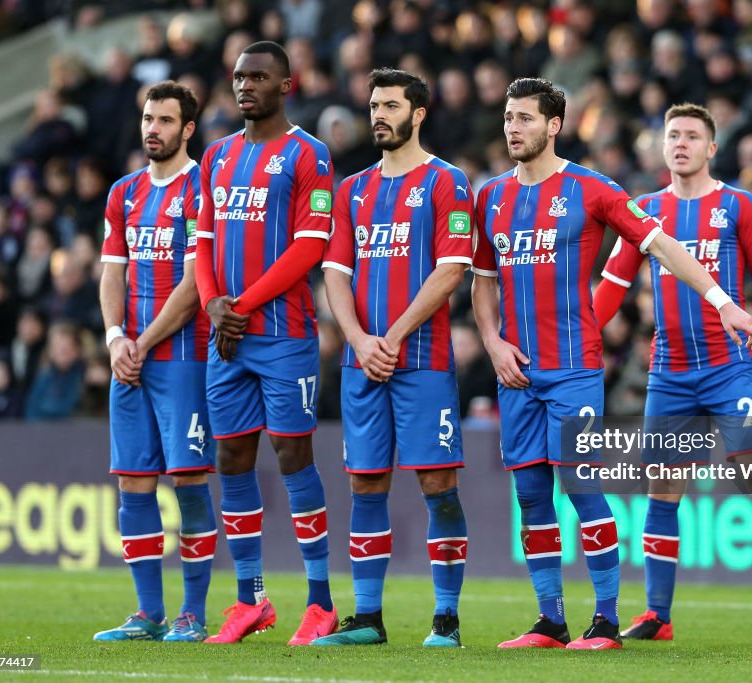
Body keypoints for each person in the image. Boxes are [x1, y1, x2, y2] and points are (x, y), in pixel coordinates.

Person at [471, 78, 752, 651]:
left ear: (554, 126)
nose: (513, 127)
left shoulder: (592, 189)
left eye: (525, 118)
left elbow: (664, 246)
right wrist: (492, 342)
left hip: (574, 367)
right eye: (508, 117)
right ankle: (549, 621)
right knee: (530, 495)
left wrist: (724, 302)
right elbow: (481, 280)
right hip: (515, 371)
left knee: (581, 486)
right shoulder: (490, 196)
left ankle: (605, 621)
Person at [592, 102, 752, 642]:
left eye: (692, 136)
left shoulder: (737, 205)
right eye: (673, 135)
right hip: (669, 371)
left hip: (730, 368)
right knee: (663, 490)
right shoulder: (644, 210)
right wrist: (577, 338)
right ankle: (658, 615)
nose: (681, 143)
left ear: (711, 148)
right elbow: (613, 288)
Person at [313, 68, 473, 648]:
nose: (378, 114)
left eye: (391, 106)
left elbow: (451, 268)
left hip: (422, 361)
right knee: (366, 485)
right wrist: (359, 341)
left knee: (437, 483)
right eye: (374, 104)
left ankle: (446, 620)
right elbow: (334, 271)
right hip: (363, 363)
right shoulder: (352, 189)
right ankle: (368, 619)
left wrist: (394, 336)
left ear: (419, 113)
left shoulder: (447, 183)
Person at [194, 41, 336, 645]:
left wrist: (241, 306)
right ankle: (251, 598)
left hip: (282, 336)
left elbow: (309, 247)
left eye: (258, 76)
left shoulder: (310, 154)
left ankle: (321, 602)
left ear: (287, 85)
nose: (245, 85)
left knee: (292, 454)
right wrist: (212, 305)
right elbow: (201, 240)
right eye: (238, 77)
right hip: (226, 337)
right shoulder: (216, 157)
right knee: (230, 458)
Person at [95, 80, 217, 642]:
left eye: (165, 121)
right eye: (148, 118)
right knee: (134, 484)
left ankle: (192, 612)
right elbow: (113, 271)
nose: (153, 129)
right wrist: (117, 336)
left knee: (189, 478)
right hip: (131, 360)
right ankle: (148, 613)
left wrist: (142, 344)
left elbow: (195, 283)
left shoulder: (200, 191)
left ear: (187, 129)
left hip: (184, 359)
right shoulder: (123, 193)